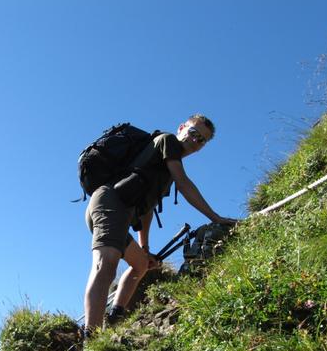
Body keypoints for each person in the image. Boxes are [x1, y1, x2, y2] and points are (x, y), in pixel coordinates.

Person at [83, 114, 236, 336]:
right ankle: (92, 337)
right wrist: (216, 217)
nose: (195, 141)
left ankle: (116, 315)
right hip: (109, 202)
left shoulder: (162, 171)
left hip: (119, 210)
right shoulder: (168, 141)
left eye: (202, 140)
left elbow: (146, 210)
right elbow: (183, 184)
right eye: (194, 133)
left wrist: (145, 249)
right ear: (182, 127)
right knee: (106, 263)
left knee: (141, 266)